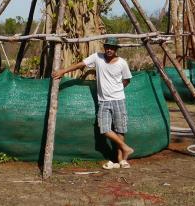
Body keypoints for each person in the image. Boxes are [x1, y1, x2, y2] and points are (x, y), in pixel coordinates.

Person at [52, 36, 134, 169]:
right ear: (104, 48)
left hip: (119, 99)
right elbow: (81, 64)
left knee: (120, 129)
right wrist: (63, 71)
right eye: (107, 47)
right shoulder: (97, 57)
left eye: (112, 48)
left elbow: (127, 79)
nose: (109, 50)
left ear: (116, 49)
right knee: (104, 128)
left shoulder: (122, 63)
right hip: (103, 101)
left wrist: (117, 89)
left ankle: (121, 160)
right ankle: (126, 148)